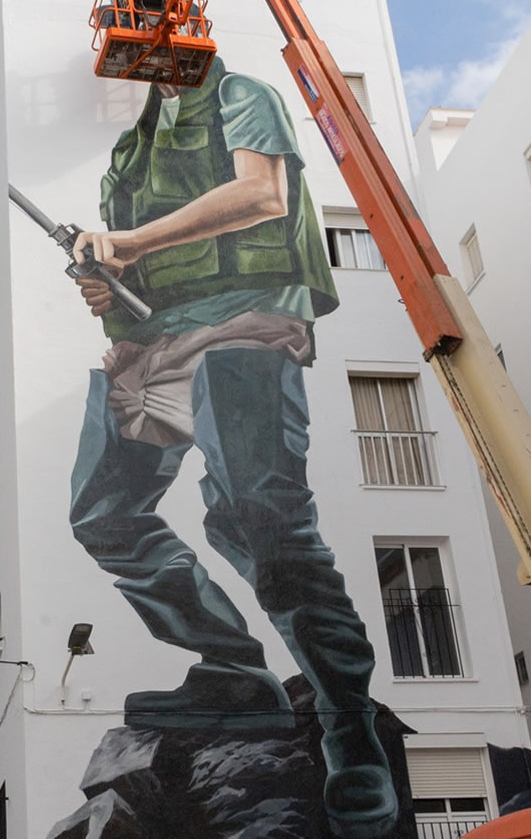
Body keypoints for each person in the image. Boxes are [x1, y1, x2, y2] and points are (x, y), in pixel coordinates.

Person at [67, 56, 399, 838]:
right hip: (150, 337)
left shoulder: (239, 95)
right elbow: (127, 260)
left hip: (245, 316)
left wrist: (126, 239)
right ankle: (231, 667)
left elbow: (261, 194)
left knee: (257, 519)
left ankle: (348, 730)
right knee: (105, 514)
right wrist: (101, 278)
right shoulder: (132, 147)